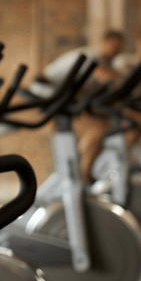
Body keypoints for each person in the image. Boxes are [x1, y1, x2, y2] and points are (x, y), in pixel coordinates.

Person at [35, 30, 125, 182]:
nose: (116, 51)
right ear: (105, 42)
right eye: (114, 46)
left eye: (119, 48)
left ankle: (81, 166)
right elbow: (109, 78)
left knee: (102, 125)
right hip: (47, 89)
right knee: (98, 126)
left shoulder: (105, 62)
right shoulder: (93, 56)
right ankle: (79, 169)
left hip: (68, 95)